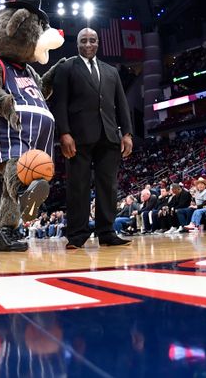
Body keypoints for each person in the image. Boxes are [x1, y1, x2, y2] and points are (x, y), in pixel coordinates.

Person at [52, 28, 133, 249]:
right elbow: (59, 104)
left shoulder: (111, 71)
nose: (88, 44)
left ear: (99, 43)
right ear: (77, 43)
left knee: (108, 186)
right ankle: (77, 236)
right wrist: (64, 133)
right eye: (84, 40)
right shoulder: (66, 67)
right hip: (77, 137)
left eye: (93, 40)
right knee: (78, 186)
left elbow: (122, 104)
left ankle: (107, 233)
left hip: (109, 135)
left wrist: (126, 133)